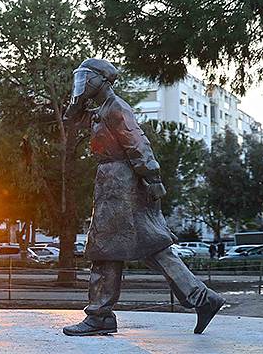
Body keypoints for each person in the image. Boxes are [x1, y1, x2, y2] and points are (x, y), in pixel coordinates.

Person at [62, 58, 225, 336]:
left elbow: (137, 143)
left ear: (102, 79)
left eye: (86, 79)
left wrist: (153, 178)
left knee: (105, 248)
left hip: (121, 183)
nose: (82, 84)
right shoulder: (99, 109)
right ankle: (202, 298)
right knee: (152, 246)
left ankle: (100, 314)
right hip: (112, 181)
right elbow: (70, 121)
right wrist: (76, 100)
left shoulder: (116, 108)